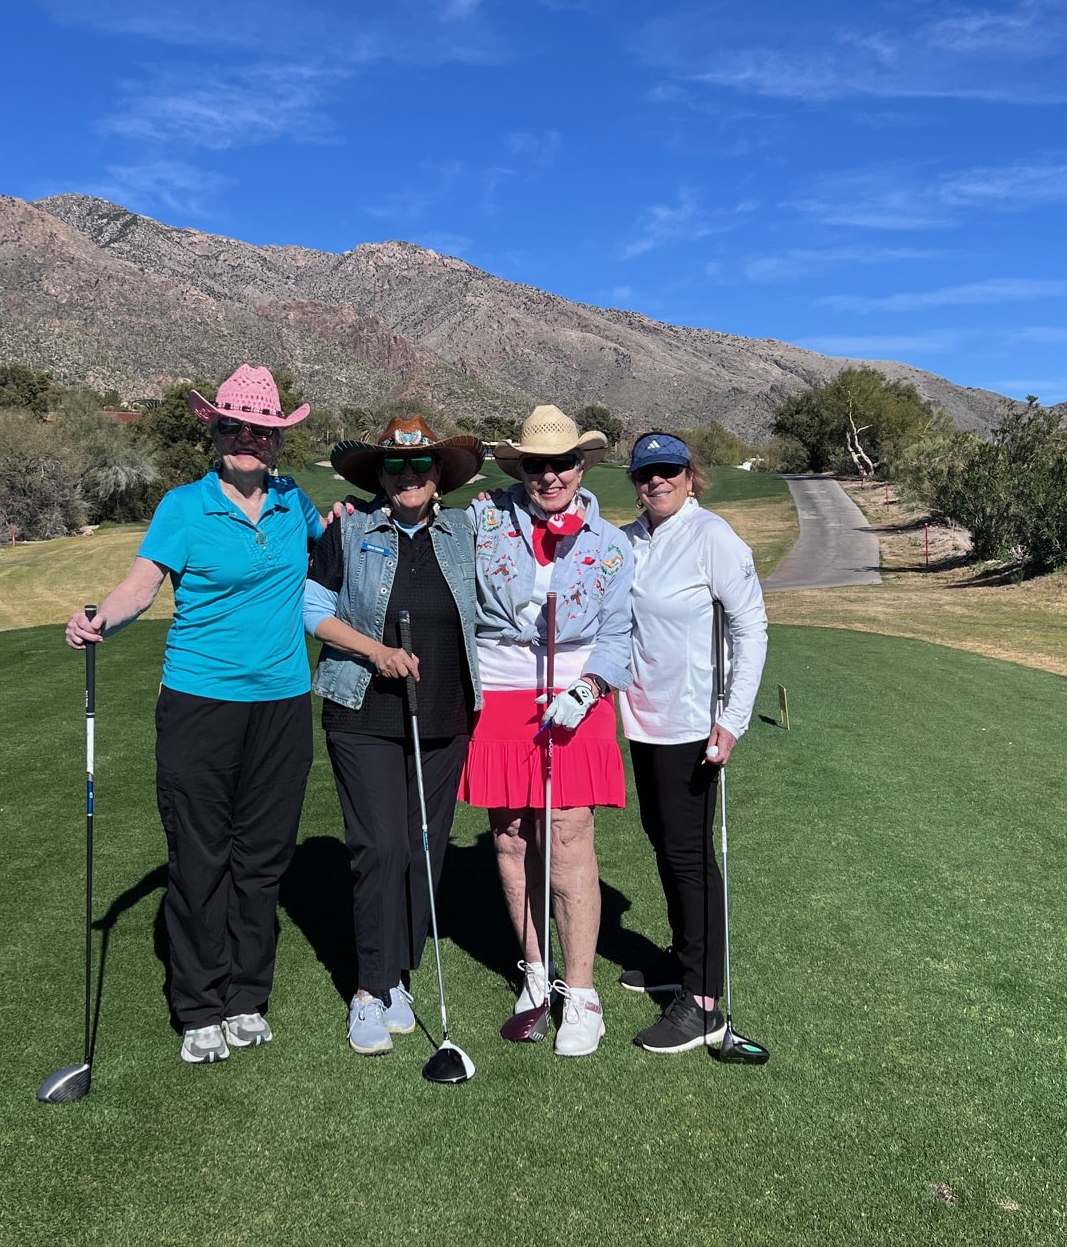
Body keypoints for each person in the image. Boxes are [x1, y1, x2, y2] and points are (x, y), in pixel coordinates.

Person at [64, 365, 320, 1066]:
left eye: (261, 431)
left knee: (263, 860)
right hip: (200, 703)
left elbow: (330, 554)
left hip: (282, 705)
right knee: (200, 855)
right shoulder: (183, 506)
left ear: (277, 440)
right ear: (215, 429)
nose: (248, 440)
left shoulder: (297, 503)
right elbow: (140, 587)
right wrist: (100, 620)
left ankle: (246, 996)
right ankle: (200, 1005)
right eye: (235, 426)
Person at [303, 417, 486, 1055]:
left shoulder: (468, 530)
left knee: (423, 854)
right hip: (362, 714)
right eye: (396, 468)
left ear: (440, 477)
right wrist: (375, 651)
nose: (409, 478)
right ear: (380, 476)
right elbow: (313, 610)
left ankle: (400, 975)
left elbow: (534, 517)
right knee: (378, 848)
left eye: (421, 467)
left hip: (444, 716)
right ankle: (368, 990)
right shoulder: (348, 531)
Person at [463, 404, 633, 1057]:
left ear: (582, 464)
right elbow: (421, 532)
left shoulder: (610, 544)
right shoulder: (481, 523)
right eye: (536, 465)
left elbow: (619, 637)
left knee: (566, 837)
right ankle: (537, 972)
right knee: (509, 839)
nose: (550, 475)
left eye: (562, 462)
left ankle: (582, 994)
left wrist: (589, 688)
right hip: (501, 697)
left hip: (576, 698)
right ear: (521, 469)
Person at [615, 431, 768, 1054]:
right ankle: (682, 958)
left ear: (689, 473)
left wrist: (732, 719)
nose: (658, 481)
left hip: (692, 726)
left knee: (687, 854)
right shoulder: (629, 539)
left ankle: (703, 999)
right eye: (646, 473)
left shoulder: (714, 538)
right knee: (664, 842)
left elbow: (751, 627)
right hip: (641, 720)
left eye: (669, 470)